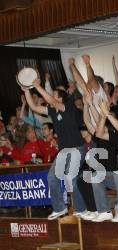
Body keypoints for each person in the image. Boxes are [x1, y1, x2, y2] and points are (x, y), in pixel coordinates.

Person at [24, 78, 87, 220]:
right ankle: (60, 208)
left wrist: (37, 85)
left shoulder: (68, 106)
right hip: (64, 151)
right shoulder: (52, 110)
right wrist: (27, 90)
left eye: (53, 94)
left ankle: (81, 209)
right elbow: (34, 107)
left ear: (60, 98)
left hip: (77, 148)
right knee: (52, 177)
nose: (51, 96)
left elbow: (52, 101)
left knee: (71, 177)